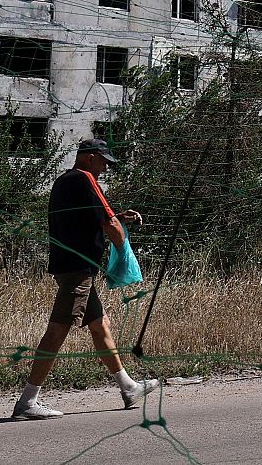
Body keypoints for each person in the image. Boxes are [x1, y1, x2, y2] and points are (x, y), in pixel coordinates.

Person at [14, 138, 158, 420]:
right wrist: (125, 254)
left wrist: (119, 217)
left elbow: (86, 220)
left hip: (69, 267)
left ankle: (128, 388)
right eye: (104, 162)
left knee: (99, 324)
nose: (105, 168)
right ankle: (27, 401)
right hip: (77, 270)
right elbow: (109, 224)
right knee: (57, 331)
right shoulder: (85, 178)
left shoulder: (63, 181)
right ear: (90, 157)